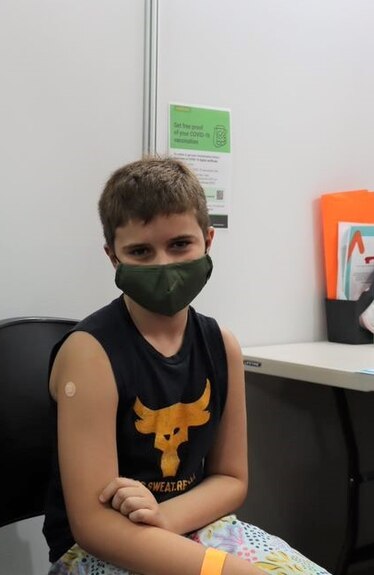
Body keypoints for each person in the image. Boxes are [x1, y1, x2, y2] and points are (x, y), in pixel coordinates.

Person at [43, 157, 331, 575]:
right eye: (140, 251)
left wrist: (167, 518)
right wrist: (224, 571)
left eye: (180, 245)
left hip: (191, 526)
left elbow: (231, 479)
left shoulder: (222, 346)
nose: (163, 265)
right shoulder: (90, 356)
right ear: (113, 257)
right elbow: (93, 527)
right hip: (101, 548)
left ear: (208, 240)